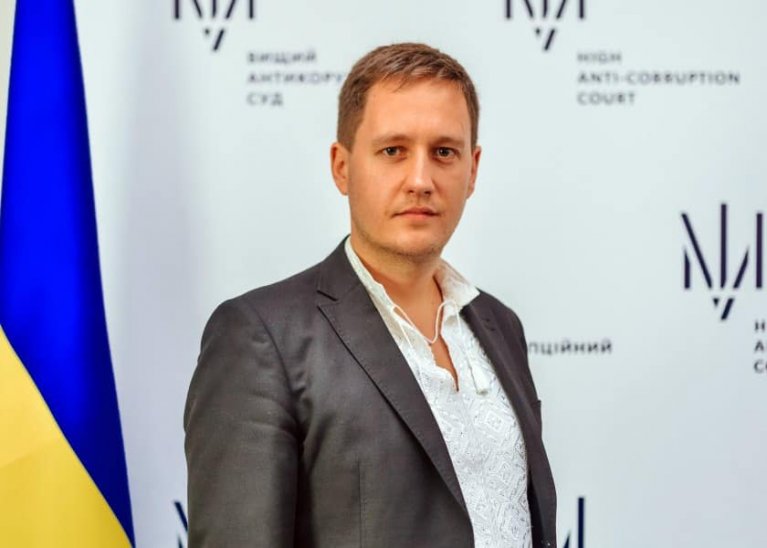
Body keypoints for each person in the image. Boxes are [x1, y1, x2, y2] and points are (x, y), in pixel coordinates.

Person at [184, 42, 557, 548]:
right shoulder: (262, 338)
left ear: (472, 170)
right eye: (393, 151)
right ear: (342, 167)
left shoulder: (499, 324)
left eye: (443, 152)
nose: (420, 180)